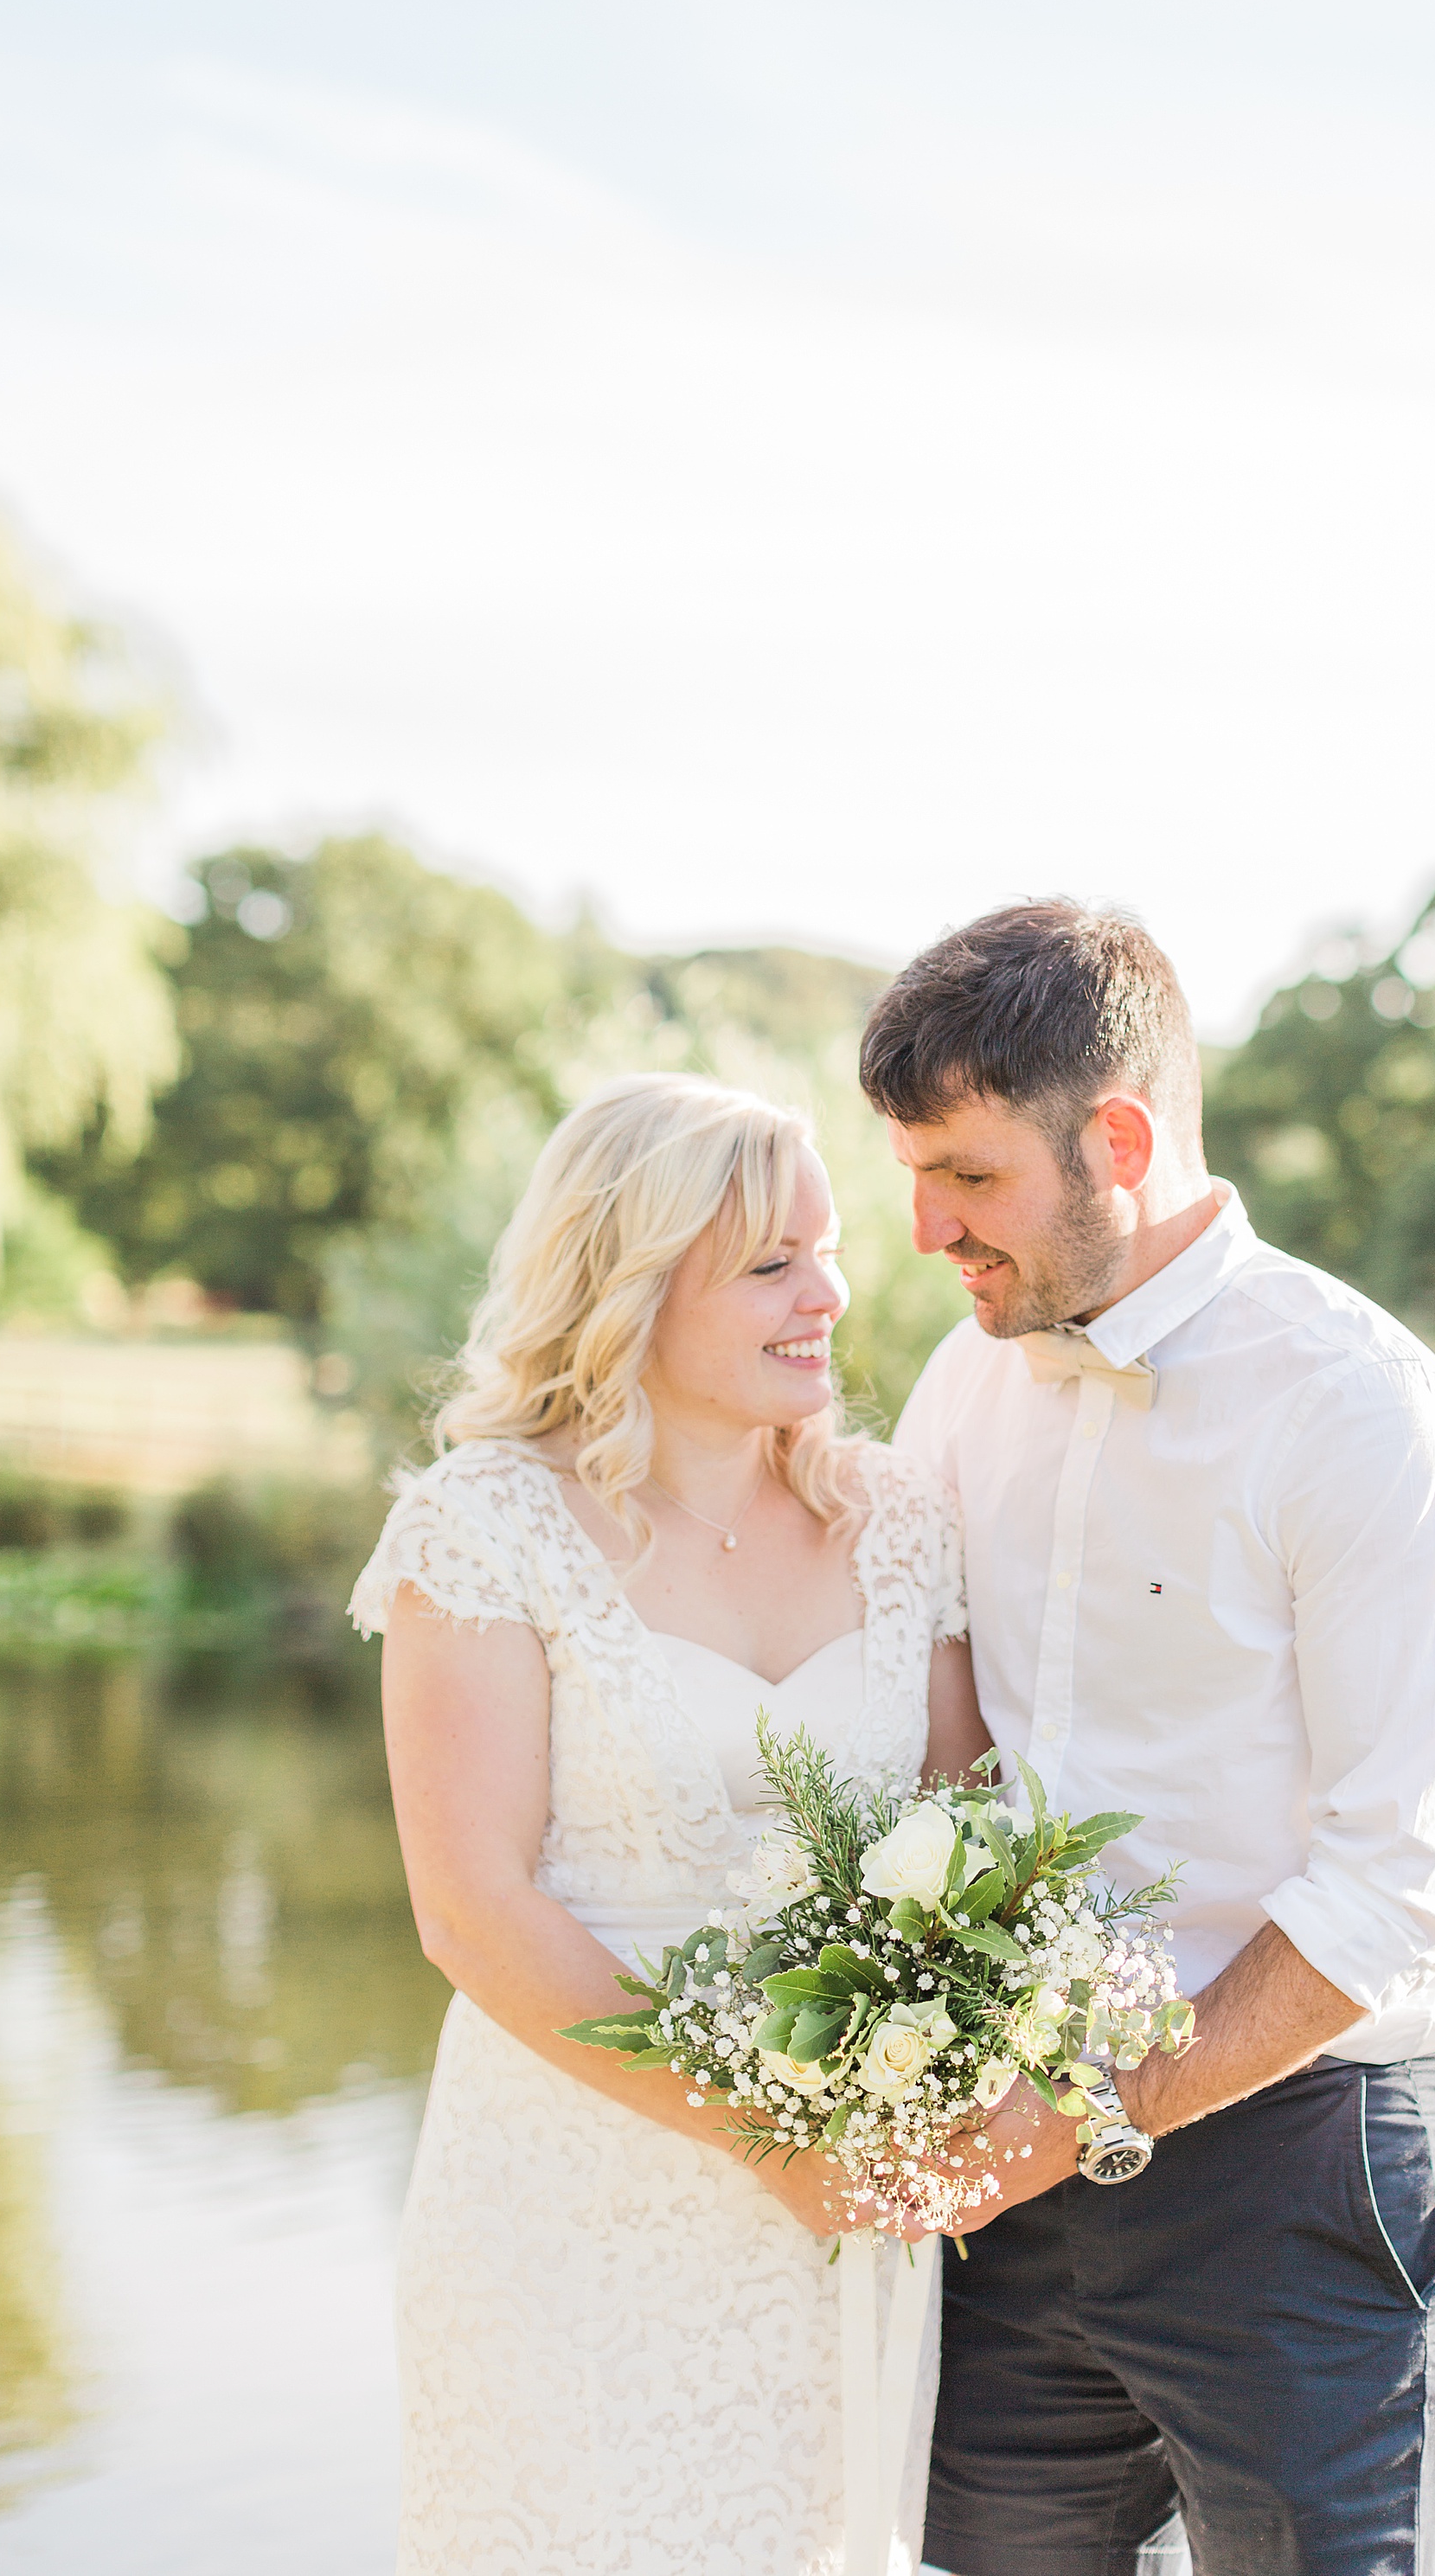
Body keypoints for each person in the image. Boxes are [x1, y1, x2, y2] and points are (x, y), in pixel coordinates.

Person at [861, 901, 1435, 2576]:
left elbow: (1390, 1892)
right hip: (1022, 2163)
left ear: (1122, 1139)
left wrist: (1080, 2105)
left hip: (1306, 2148)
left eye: (970, 1175)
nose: (930, 1227)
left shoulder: (1362, 1417)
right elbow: (938, 1742)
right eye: (913, 1178)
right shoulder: (961, 1379)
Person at [349, 1073, 988, 2576]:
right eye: (773, 1263)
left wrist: (926, 2076)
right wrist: (767, 2137)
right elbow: (474, 1909)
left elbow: (968, 1834)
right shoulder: (487, 1522)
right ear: (627, 1286)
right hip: (570, 2200)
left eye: (827, 1252)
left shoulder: (899, 1517)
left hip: (845, 2200)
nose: (829, 1293)